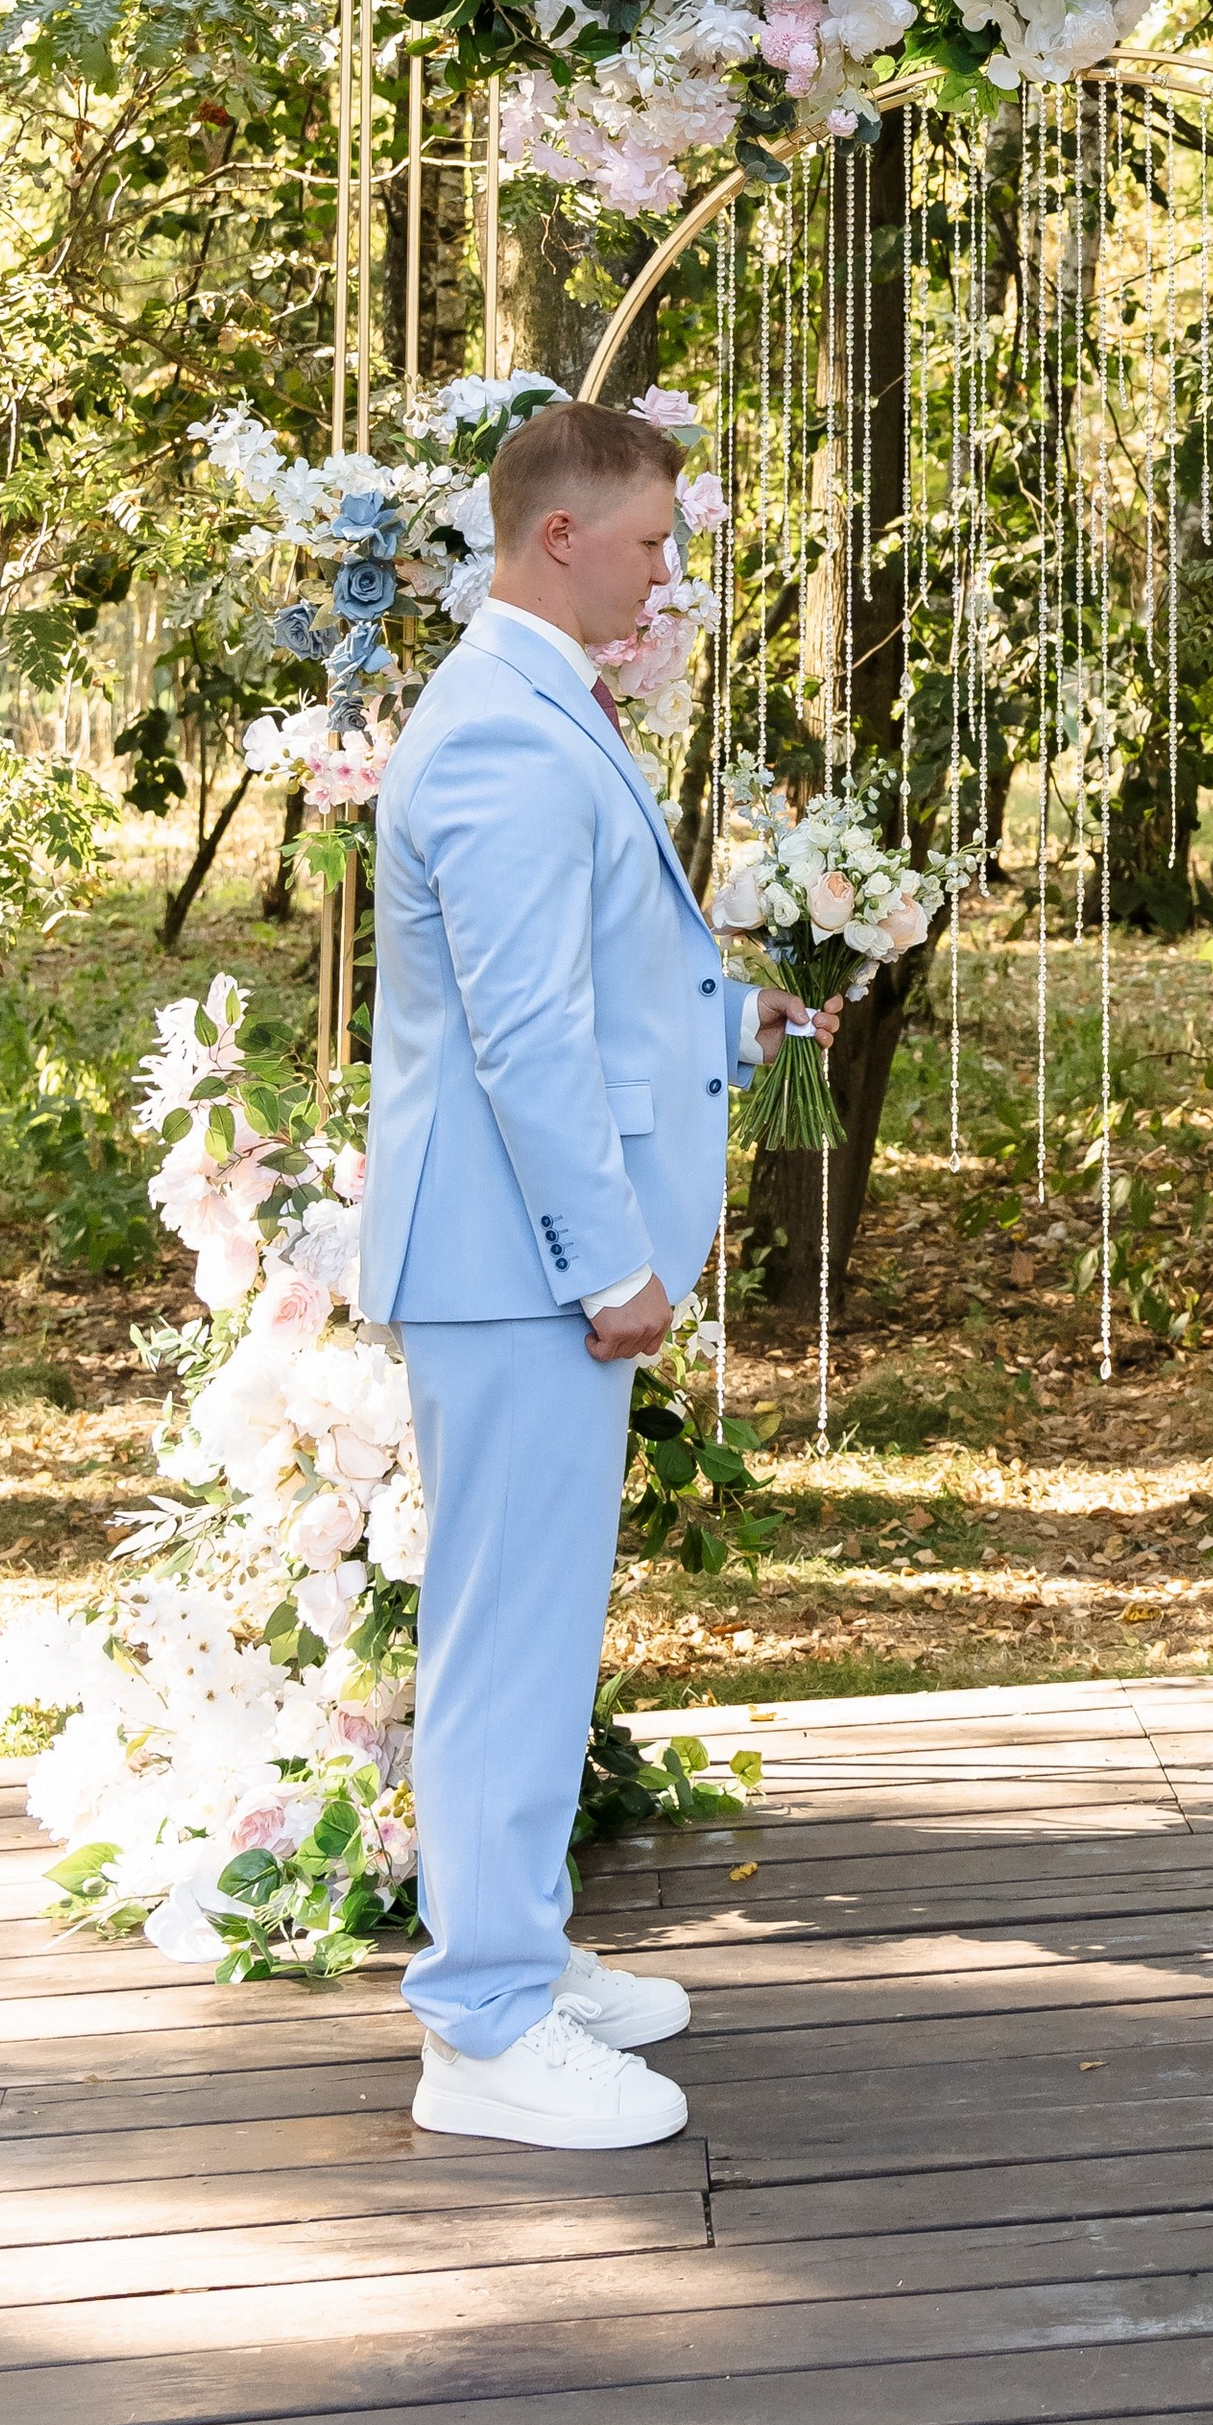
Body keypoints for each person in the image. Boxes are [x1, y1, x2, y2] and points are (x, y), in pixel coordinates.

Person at [358, 399, 839, 2151]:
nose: (663, 572)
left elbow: (596, 981)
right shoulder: (496, 730)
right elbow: (524, 1037)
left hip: (516, 1258)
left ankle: (521, 1953)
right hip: (513, 1261)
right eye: (646, 543)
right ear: (558, 535)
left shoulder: (536, 699)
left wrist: (739, 1017)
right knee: (505, 1633)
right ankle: (477, 2029)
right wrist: (608, 1260)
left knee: (541, 1627)